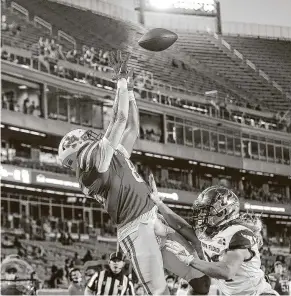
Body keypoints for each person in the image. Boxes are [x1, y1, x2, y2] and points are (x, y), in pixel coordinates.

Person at [57, 47, 209, 295]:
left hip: (153, 219)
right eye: (84, 138)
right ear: (77, 150)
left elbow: (132, 129)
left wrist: (131, 94)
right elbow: (118, 120)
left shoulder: (106, 156)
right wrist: (121, 80)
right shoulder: (90, 164)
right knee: (160, 292)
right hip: (136, 230)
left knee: (201, 281)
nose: (91, 137)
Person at [149, 180, 278, 296]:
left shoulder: (239, 234)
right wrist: (159, 203)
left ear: (223, 213)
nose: (201, 215)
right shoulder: (208, 234)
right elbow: (181, 227)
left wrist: (191, 260)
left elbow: (227, 271)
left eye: (206, 212)